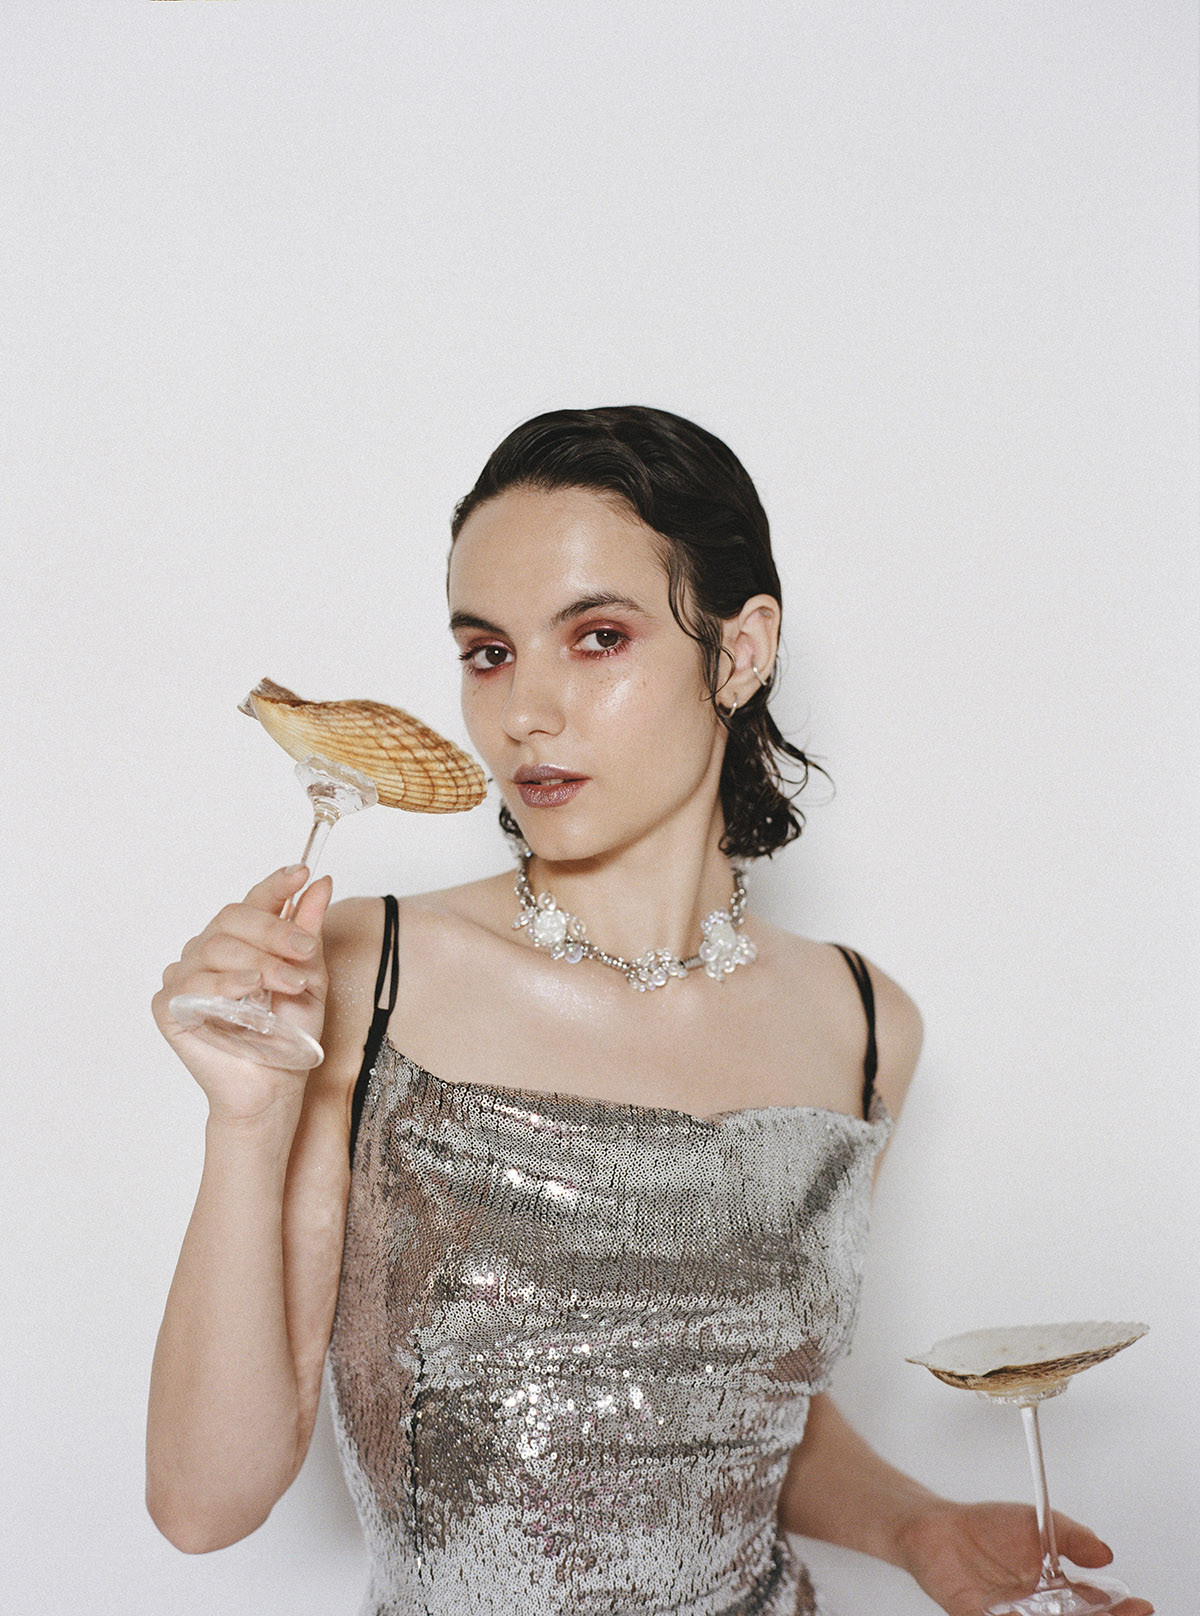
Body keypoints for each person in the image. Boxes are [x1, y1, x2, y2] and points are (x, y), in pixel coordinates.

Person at [147, 407, 1152, 1616]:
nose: (525, 711)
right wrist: (245, 1121)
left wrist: (918, 1525)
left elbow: (745, 1411)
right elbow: (204, 1503)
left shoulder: (864, 1021)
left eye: (599, 636)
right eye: (488, 651)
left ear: (740, 651)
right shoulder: (371, 967)